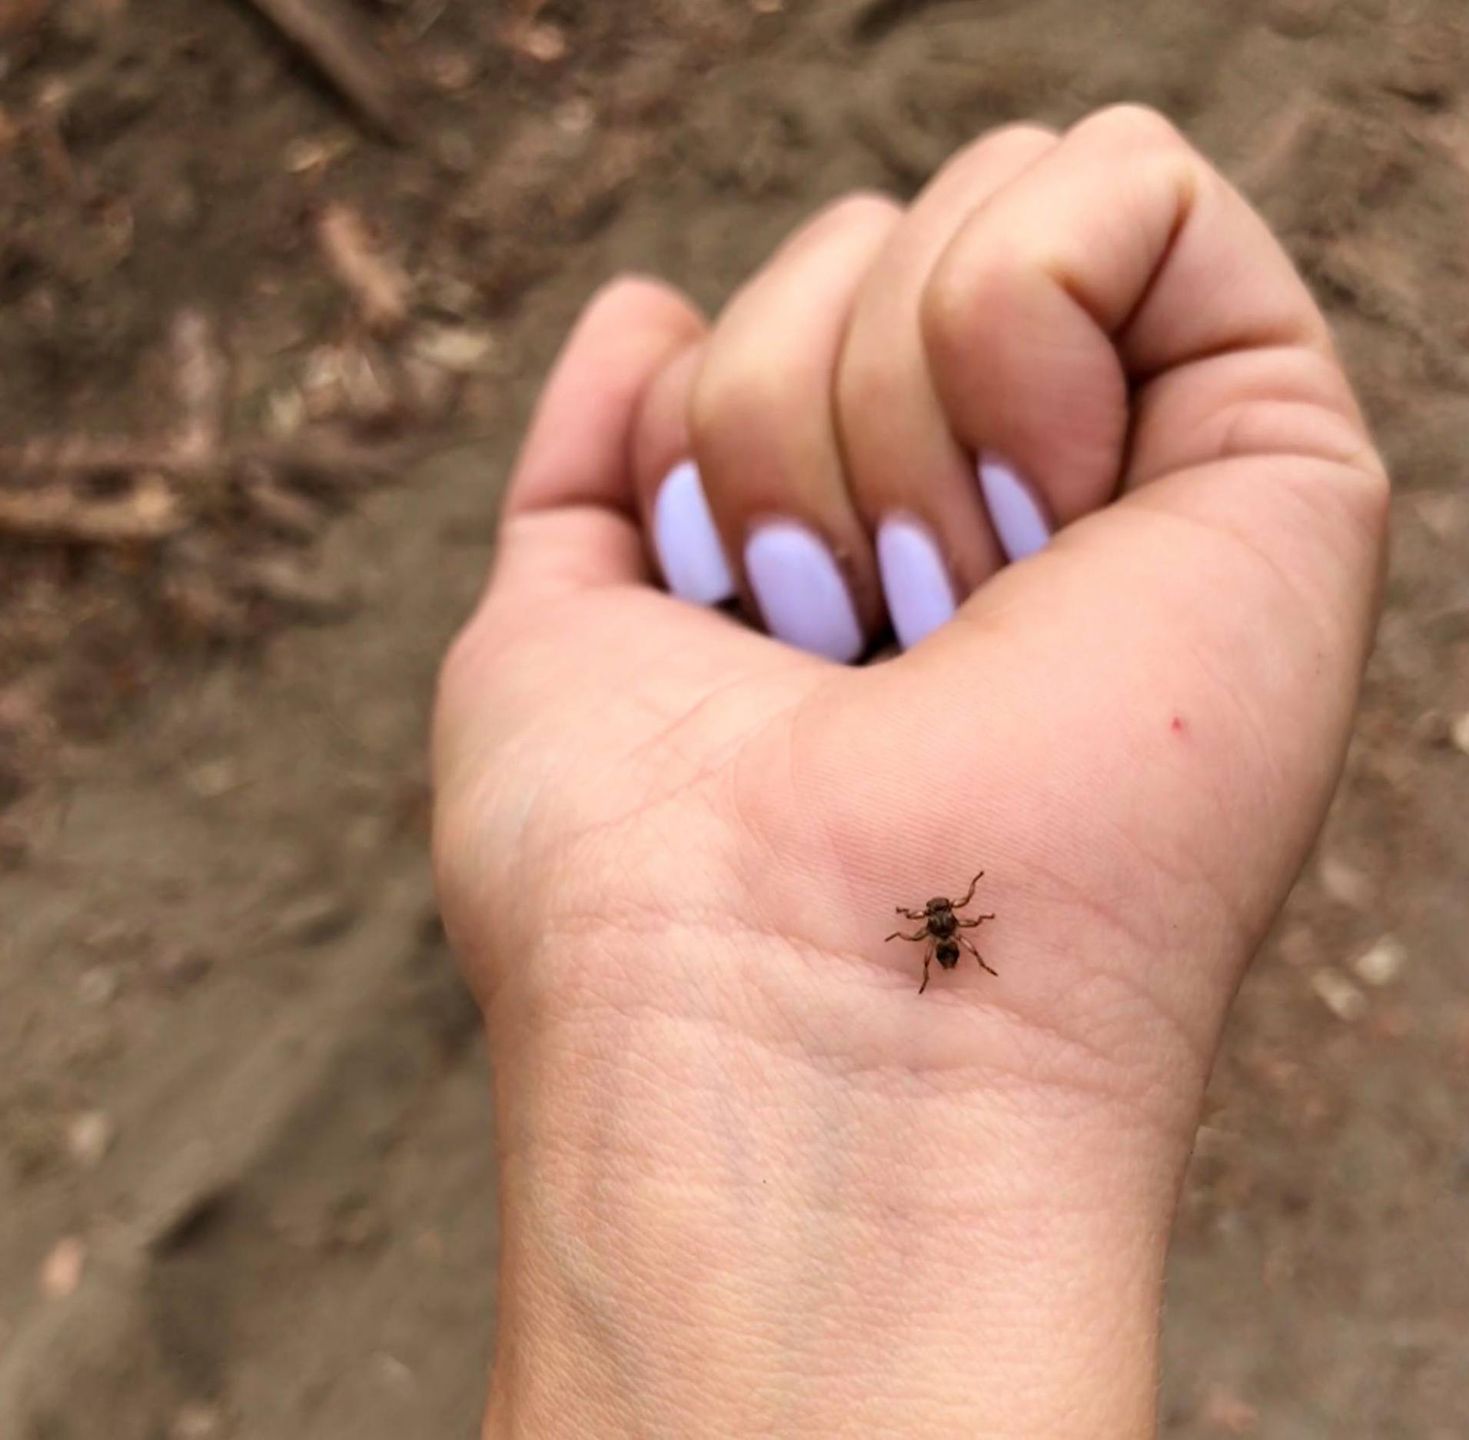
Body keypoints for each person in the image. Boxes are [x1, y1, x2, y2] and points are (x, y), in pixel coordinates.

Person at [431, 105, 1387, 1437]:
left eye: (942, 923)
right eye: (944, 924)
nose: (942, 926)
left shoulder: (939, 927)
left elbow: (942, 932)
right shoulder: (944, 928)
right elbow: (948, 931)